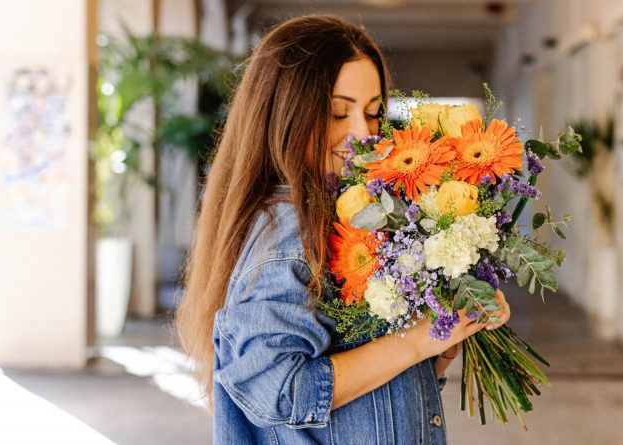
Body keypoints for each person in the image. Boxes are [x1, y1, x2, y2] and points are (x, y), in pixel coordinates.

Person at [175, 14, 511, 444]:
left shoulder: (336, 214)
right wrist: (413, 342)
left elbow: (370, 395)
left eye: (372, 114)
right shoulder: (289, 228)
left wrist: (444, 338)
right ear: (284, 114)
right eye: (337, 112)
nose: (361, 135)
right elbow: (276, 390)